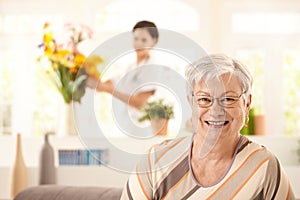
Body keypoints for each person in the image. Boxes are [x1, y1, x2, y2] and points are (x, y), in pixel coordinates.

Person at [120, 54, 295, 199]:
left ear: (247, 103)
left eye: (228, 99)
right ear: (191, 103)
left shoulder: (264, 166)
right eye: (204, 99)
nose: (216, 111)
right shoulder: (155, 161)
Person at [87, 20, 160, 136]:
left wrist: (107, 90)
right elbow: (105, 85)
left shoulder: (151, 68)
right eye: (136, 39)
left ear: (154, 41)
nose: (138, 44)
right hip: (125, 128)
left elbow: (140, 103)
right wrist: (88, 72)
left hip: (141, 130)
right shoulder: (130, 67)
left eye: (144, 40)